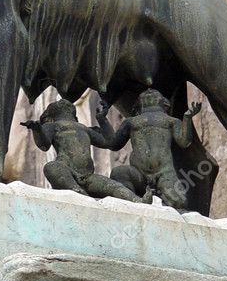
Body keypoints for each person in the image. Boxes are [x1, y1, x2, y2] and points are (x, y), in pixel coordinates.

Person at [22, 98, 151, 203]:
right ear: (50, 116)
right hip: (66, 169)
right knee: (51, 167)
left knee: (114, 186)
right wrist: (37, 130)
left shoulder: (84, 129)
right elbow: (44, 145)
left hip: (88, 177)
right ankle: (79, 194)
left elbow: (110, 142)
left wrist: (102, 119)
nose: (62, 102)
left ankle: (137, 200)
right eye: (57, 103)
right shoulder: (53, 126)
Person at [93, 90, 202, 211]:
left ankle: (161, 208)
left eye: (155, 94)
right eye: (144, 95)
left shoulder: (171, 121)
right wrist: (102, 120)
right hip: (139, 173)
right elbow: (114, 143)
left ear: (164, 103)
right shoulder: (131, 122)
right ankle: (135, 202)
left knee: (179, 202)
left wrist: (187, 118)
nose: (149, 92)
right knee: (119, 173)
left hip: (164, 172)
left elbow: (184, 141)